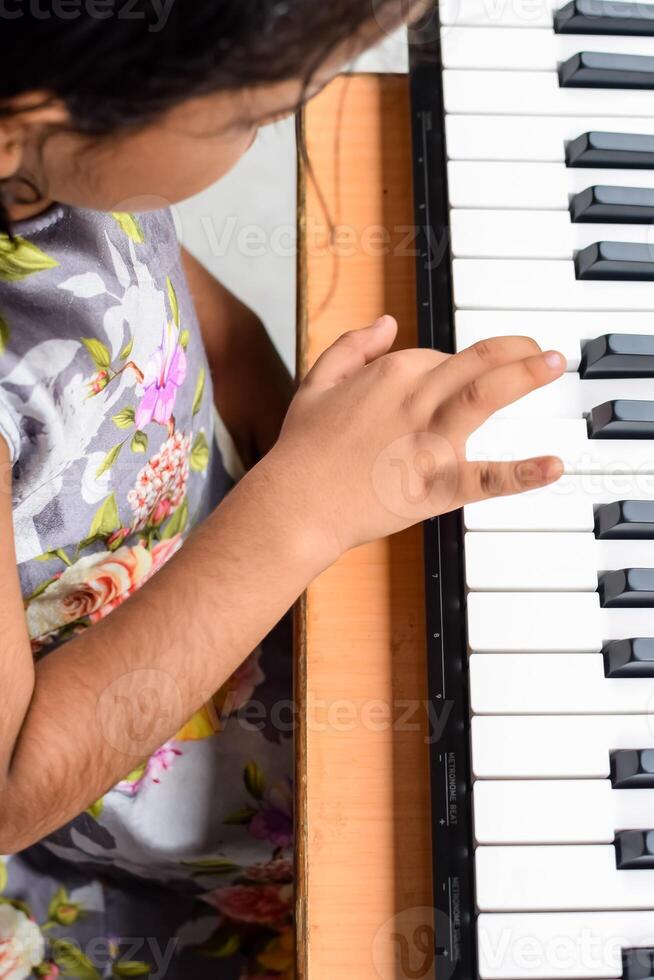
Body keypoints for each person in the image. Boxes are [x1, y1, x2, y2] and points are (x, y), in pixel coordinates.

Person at [0, 1, 566, 976]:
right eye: (253, 115)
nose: (276, 125)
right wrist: (302, 506)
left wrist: (309, 443)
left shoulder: (47, 161)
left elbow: (175, 305)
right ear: (30, 116)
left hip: (234, 626)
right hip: (131, 841)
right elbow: (14, 780)